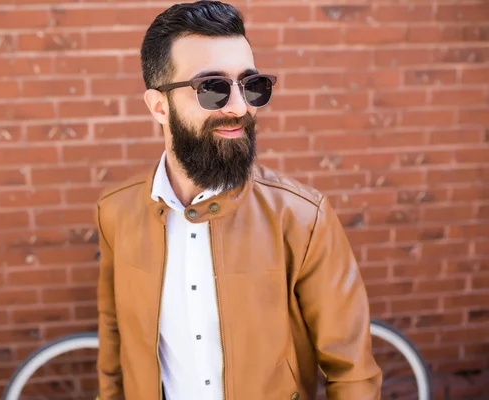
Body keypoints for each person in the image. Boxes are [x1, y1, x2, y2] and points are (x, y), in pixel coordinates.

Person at [94, 1, 382, 399]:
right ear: (160, 106)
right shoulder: (116, 213)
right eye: (212, 88)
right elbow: (114, 344)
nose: (238, 106)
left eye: (252, 85)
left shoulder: (303, 218)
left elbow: (352, 373)